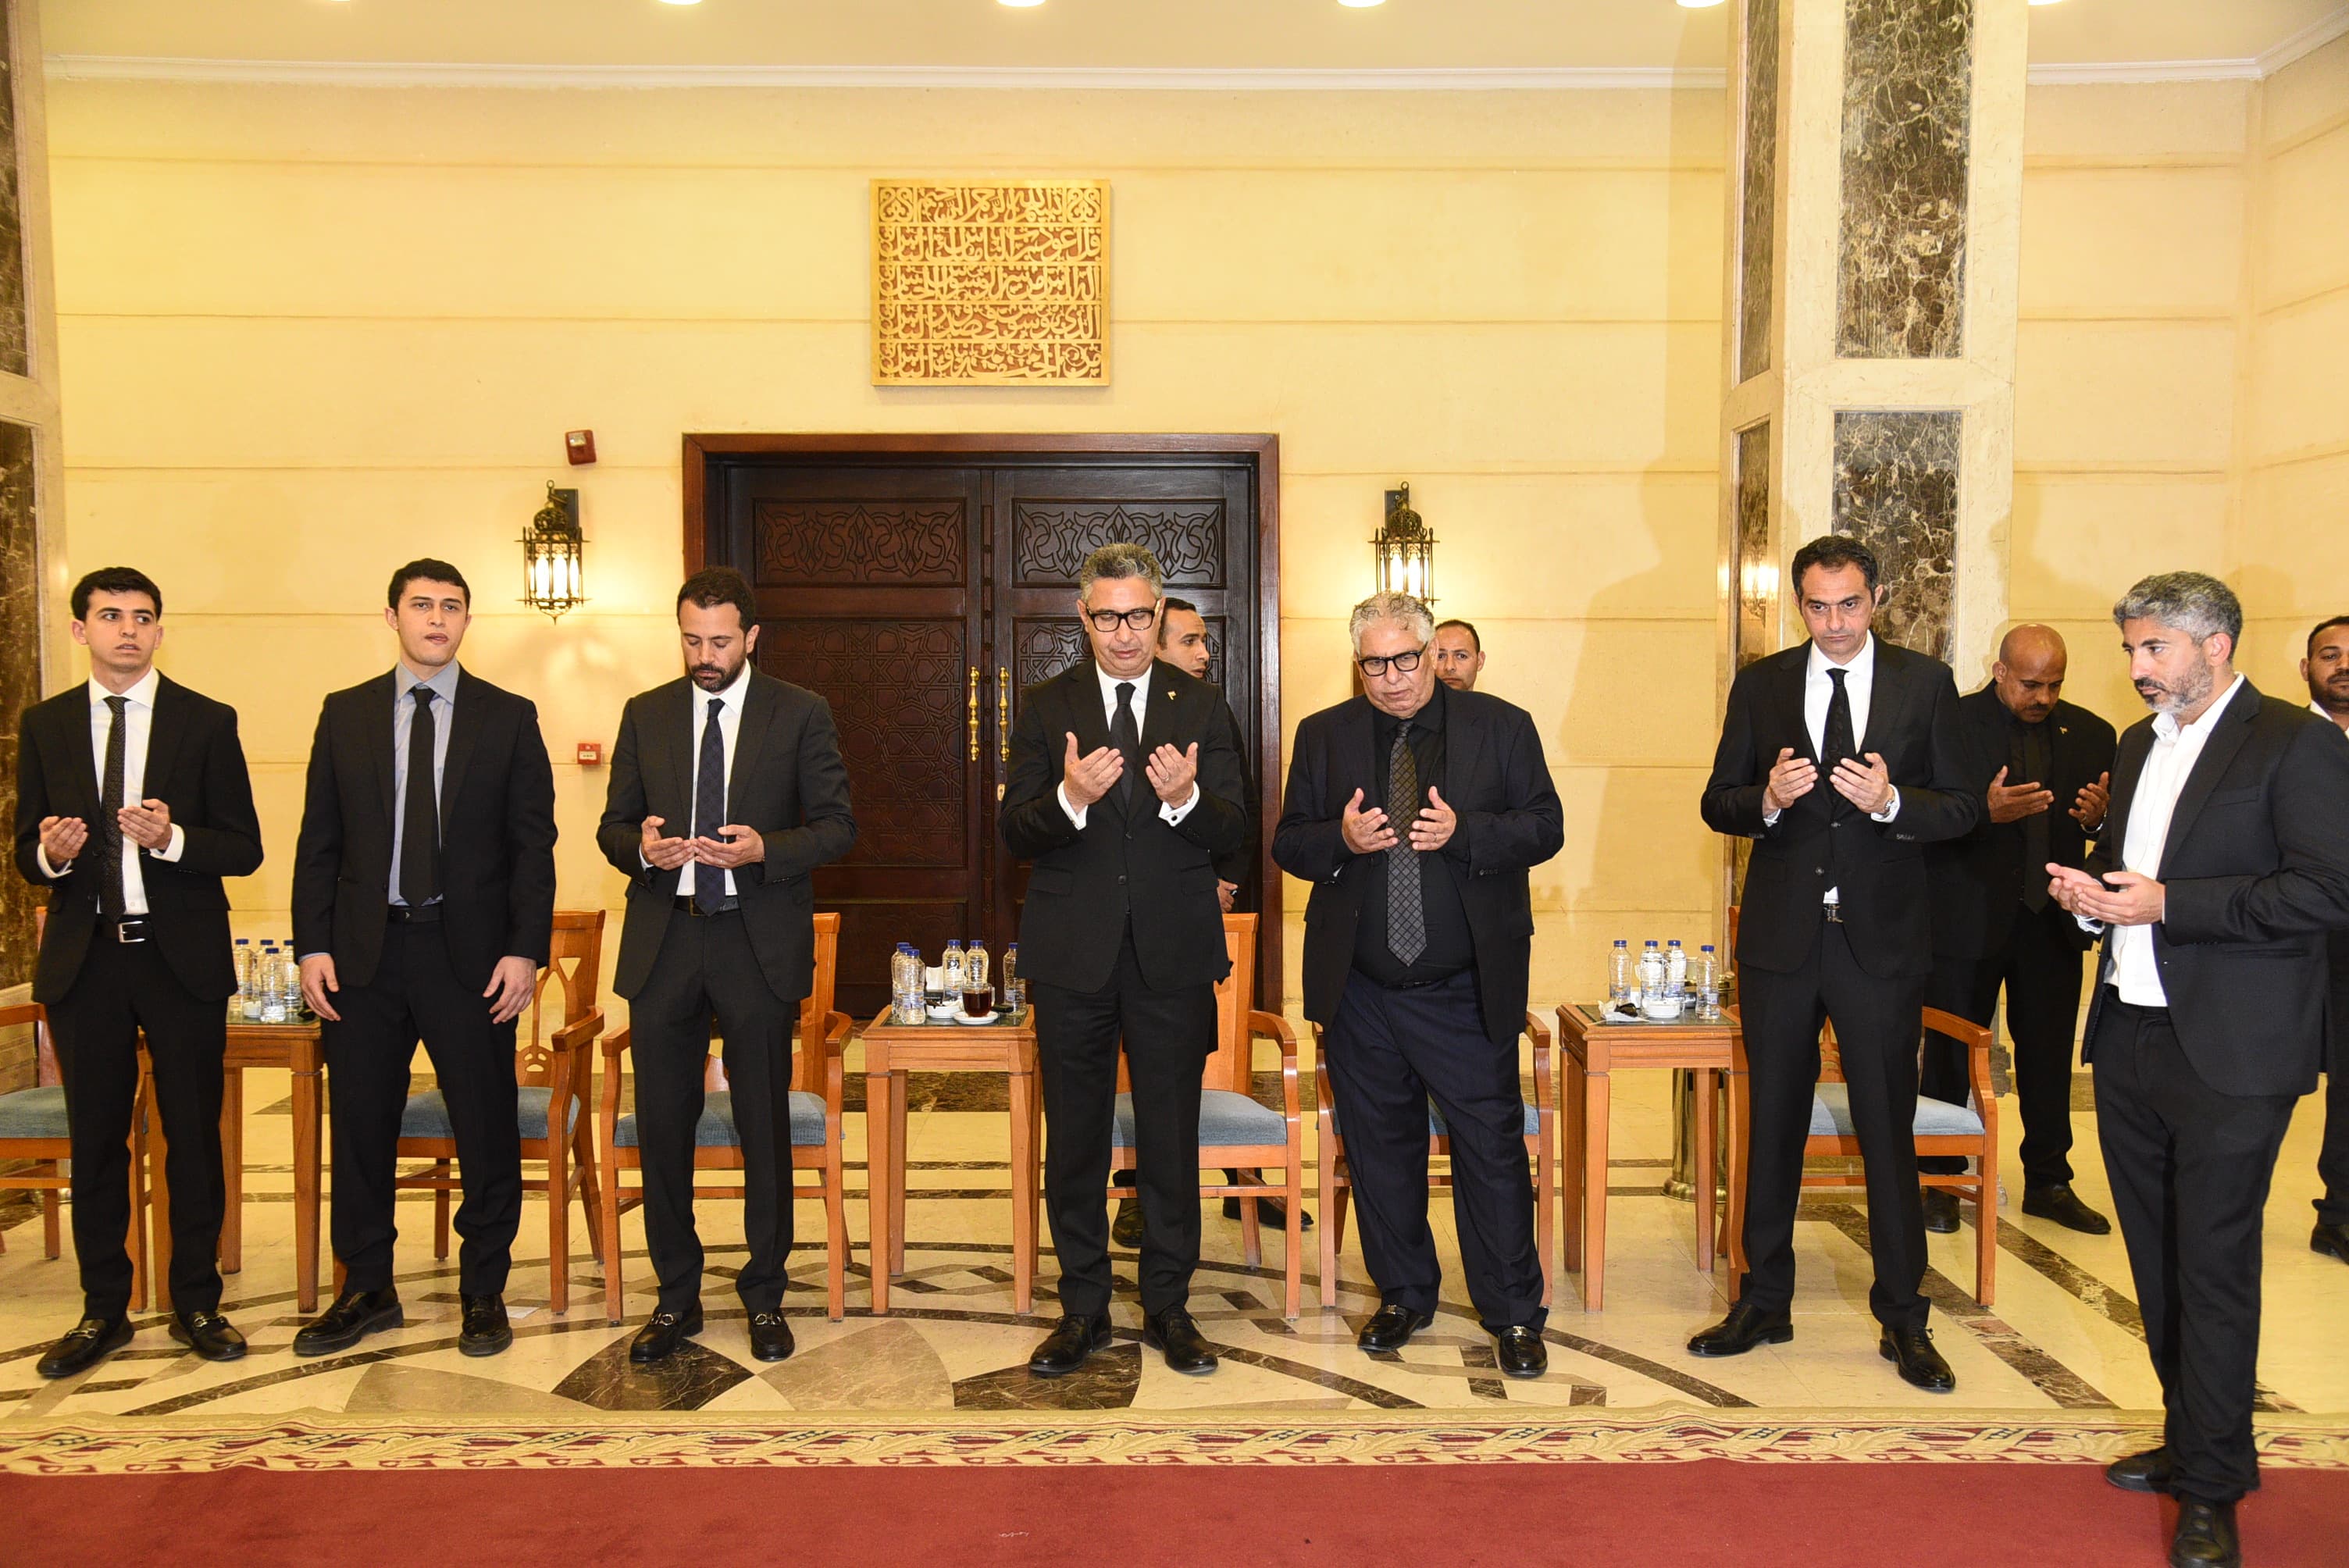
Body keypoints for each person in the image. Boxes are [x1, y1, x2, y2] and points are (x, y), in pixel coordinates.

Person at [2048, 573, 2349, 1568]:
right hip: (2128, 1035)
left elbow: (2327, 888)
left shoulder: (2294, 742)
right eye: (2131, 650)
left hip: (2233, 1048)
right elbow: (2134, 873)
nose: (2136, 668)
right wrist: (2092, 900)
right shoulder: (2139, 745)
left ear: (2213, 644)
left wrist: (2171, 904)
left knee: (2211, 1265)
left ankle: (2213, 1488)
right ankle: (2192, 1438)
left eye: (2153, 649)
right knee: (2155, 1258)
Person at [1691, 535, 1978, 1392]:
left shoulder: (1926, 684)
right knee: (1772, 1125)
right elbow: (1717, 801)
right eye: (1816, 607)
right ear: (1798, 605)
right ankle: (1762, 1301)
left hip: (1879, 944)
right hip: (1782, 944)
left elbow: (1962, 808)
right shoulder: (1763, 684)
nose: (1834, 623)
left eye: (1848, 604)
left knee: (1886, 1130)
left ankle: (1904, 1318)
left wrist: (1890, 801)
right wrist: (1765, 801)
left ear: (1876, 597)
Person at [1274, 591, 1563, 1377]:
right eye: (1375, 664)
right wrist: (1340, 837)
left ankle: (1513, 1312)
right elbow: (1289, 843)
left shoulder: (1500, 727)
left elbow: (1545, 825)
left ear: (1433, 653)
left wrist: (1465, 833)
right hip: (1361, 989)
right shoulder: (1323, 734)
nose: (1393, 677)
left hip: (1462, 988)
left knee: (1490, 1151)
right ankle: (1403, 1293)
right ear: (1357, 663)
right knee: (1379, 1150)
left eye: (1406, 659)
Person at [291, 560, 557, 1359]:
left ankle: (483, 1289)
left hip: (468, 957)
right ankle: (366, 1286)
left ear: (467, 621)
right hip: (364, 956)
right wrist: (312, 945)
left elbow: (532, 848)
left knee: (485, 1126)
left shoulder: (507, 717)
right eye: (421, 605)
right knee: (360, 1126)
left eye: (451, 606)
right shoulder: (344, 713)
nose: (436, 618)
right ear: (392, 617)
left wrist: (524, 950)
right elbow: (318, 841)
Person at [1000, 543, 1251, 1378]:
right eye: (1106, 616)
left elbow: (1235, 826)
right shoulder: (1047, 705)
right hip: (1072, 953)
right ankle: (1081, 1308)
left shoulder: (1201, 704)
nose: (1123, 632)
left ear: (1158, 614)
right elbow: (1014, 829)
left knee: (1169, 1138)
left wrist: (1185, 797)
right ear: (1084, 617)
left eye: (1138, 615)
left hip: (1171, 952)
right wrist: (1070, 797)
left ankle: (1170, 1306)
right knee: (1073, 1139)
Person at [595, 567, 855, 1364]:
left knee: (762, 1124)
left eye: (718, 641)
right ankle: (675, 1296)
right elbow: (611, 827)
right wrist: (642, 848)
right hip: (665, 940)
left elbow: (837, 826)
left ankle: (765, 1293)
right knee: (663, 1126)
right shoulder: (646, 713)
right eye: (690, 640)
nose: (704, 656)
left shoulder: (798, 711)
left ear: (751, 637)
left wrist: (764, 848)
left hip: (753, 939)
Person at [12, 568, 264, 1378]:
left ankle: (196, 1302)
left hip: (177, 958)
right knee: (96, 1141)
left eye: (143, 617)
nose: (128, 629)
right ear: (81, 629)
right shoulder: (46, 724)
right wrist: (52, 855)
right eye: (111, 615)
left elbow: (243, 847)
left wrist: (172, 839)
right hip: (86, 962)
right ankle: (102, 1310)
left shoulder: (205, 720)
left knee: (192, 1136)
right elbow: (24, 852)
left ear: (160, 630)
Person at [1108, 597, 1309, 1248]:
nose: (1203, 654)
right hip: (1119, 918)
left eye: (1204, 642)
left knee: (1192, 1051)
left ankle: (1234, 1169)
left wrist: (1223, 881)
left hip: (1195, 911)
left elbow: (1238, 804)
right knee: (1132, 1060)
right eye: (1190, 641)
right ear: (1154, 644)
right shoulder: (1110, 707)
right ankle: (1135, 1188)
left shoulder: (1207, 708)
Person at [1919, 625, 2116, 1236]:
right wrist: (1984, 812)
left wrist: (2099, 823)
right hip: (1965, 921)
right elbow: (1917, 820)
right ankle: (1940, 1179)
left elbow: (2111, 833)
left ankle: (2049, 1182)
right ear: (2000, 671)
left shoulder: (2092, 733)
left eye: (2055, 684)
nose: (2044, 697)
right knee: (1950, 1055)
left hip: (2050, 922)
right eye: (2031, 684)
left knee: (2049, 1055)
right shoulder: (1948, 723)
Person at [2301, 614, 2349, 1267]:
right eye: (2329, 654)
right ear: (2307, 668)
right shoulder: (2280, 739)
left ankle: (2340, 1212)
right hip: (2292, 936)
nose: (2343, 666)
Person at [1430, 619, 1487, 693]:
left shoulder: (1493, 701)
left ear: (1479, 661)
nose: (1449, 667)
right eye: (1440, 656)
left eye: (1461, 656)